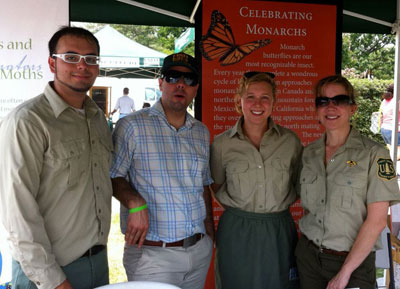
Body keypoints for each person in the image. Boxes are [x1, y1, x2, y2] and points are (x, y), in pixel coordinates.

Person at [0, 27, 113, 289]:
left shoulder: (96, 119)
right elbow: (17, 213)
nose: (82, 66)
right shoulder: (27, 122)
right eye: (71, 57)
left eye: (91, 59)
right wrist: (54, 281)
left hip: (97, 263)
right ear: (52, 62)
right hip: (47, 274)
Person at [110, 52, 214, 289]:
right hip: (153, 255)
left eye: (189, 80)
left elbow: (203, 185)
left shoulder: (201, 132)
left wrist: (209, 235)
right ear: (160, 82)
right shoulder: (132, 125)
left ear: (196, 87)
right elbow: (112, 176)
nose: (180, 84)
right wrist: (135, 201)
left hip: (198, 251)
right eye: (172, 76)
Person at [296, 75, 400, 289]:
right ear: (316, 110)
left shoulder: (374, 154)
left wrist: (344, 273)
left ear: (352, 108)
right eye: (323, 101)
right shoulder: (309, 153)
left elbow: (377, 221)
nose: (330, 107)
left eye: (340, 100)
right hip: (309, 259)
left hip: (353, 264)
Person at [210, 71, 302, 289]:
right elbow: (215, 185)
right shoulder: (222, 144)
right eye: (250, 96)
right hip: (237, 229)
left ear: (273, 102)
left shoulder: (290, 141)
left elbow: (298, 183)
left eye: (265, 97)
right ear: (239, 100)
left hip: (278, 230)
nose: (257, 103)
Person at [379, 84, 400, 155]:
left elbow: (381, 115)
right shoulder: (397, 101)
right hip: (395, 130)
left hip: (384, 130)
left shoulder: (384, 101)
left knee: (392, 153)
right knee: (397, 155)